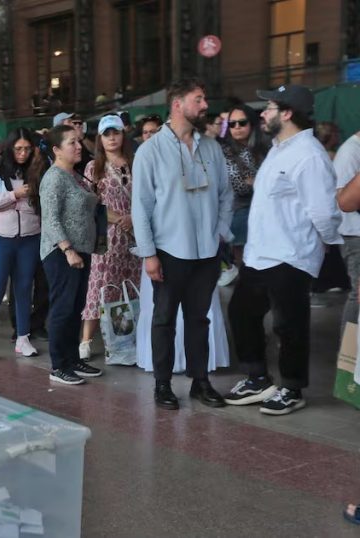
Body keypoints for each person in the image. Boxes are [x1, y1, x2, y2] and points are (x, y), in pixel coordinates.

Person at [224, 84, 342, 415]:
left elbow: (323, 211)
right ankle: (258, 377)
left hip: (290, 254)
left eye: (269, 108)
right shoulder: (278, 148)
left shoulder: (310, 155)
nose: (262, 113)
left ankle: (292, 388)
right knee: (241, 311)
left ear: (287, 113)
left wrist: (322, 248)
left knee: (289, 324)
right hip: (260, 254)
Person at [131, 77, 233, 410]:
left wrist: (220, 233)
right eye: (199, 99)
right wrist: (149, 254)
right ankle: (162, 385)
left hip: (206, 250)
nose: (205, 106)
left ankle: (200, 382)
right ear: (178, 104)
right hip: (169, 250)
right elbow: (141, 206)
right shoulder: (150, 151)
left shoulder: (212, 147)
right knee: (163, 319)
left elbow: (226, 194)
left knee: (199, 319)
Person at [0, 128, 47, 366]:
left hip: (30, 237)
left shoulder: (38, 170)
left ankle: (23, 337)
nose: (22, 153)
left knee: (24, 289)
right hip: (1, 238)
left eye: (27, 149)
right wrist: (15, 194)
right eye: (18, 149)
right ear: (10, 148)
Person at [39, 125, 102, 384]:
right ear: (56, 150)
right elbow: (50, 219)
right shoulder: (54, 177)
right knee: (63, 308)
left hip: (82, 250)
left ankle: (72, 359)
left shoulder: (75, 175)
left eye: (79, 141)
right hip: (62, 253)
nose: (78, 146)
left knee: (76, 307)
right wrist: (67, 249)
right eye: (71, 143)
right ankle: (58, 365)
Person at [79, 115, 139, 360]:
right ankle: (86, 340)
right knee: (100, 286)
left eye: (115, 132)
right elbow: (89, 204)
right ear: (99, 138)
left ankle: (123, 339)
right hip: (106, 233)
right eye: (106, 134)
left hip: (135, 234)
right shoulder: (94, 168)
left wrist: (133, 218)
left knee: (131, 287)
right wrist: (119, 218)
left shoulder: (136, 162)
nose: (112, 138)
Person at [218, 104, 266, 274]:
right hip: (240, 212)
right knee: (247, 266)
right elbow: (239, 186)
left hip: (266, 212)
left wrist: (256, 181)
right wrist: (263, 181)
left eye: (242, 122)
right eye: (232, 124)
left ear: (252, 124)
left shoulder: (265, 148)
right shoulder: (225, 150)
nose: (237, 127)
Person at [336, 130, 360, 334]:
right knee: (357, 296)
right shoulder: (350, 152)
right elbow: (342, 200)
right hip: (355, 233)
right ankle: (348, 356)